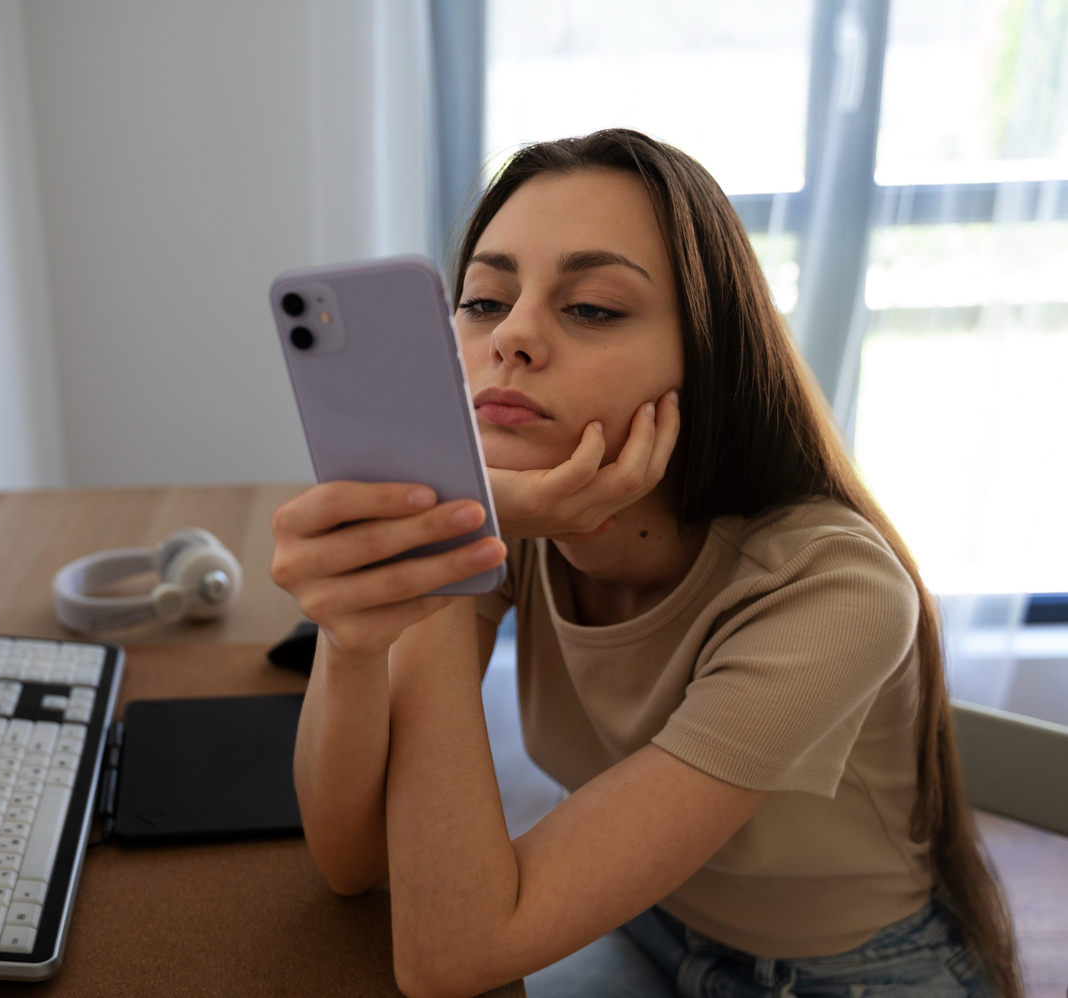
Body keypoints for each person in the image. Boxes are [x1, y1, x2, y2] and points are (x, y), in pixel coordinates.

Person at [271, 130, 1020, 998]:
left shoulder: (834, 589)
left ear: (708, 359)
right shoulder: (519, 507)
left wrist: (442, 545)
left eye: (590, 307)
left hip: (846, 975)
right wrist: (357, 629)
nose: (511, 337)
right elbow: (348, 861)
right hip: (640, 917)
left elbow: (451, 956)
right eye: (483, 300)